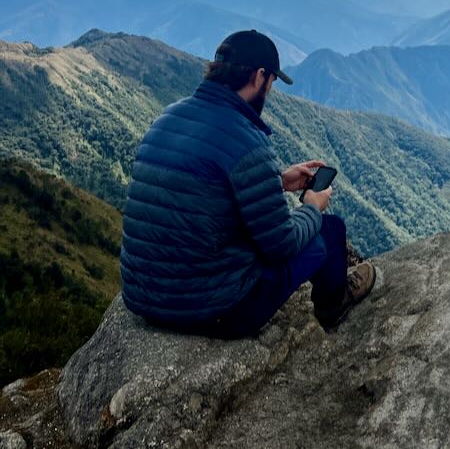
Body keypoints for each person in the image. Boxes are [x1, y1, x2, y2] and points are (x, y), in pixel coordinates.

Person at [120, 29, 377, 338]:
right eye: (271, 82)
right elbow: (281, 245)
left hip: (143, 300)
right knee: (329, 230)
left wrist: (277, 181)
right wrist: (312, 207)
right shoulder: (245, 140)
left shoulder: (167, 118)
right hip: (215, 314)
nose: (269, 91)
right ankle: (334, 303)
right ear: (259, 76)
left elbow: (204, 194)